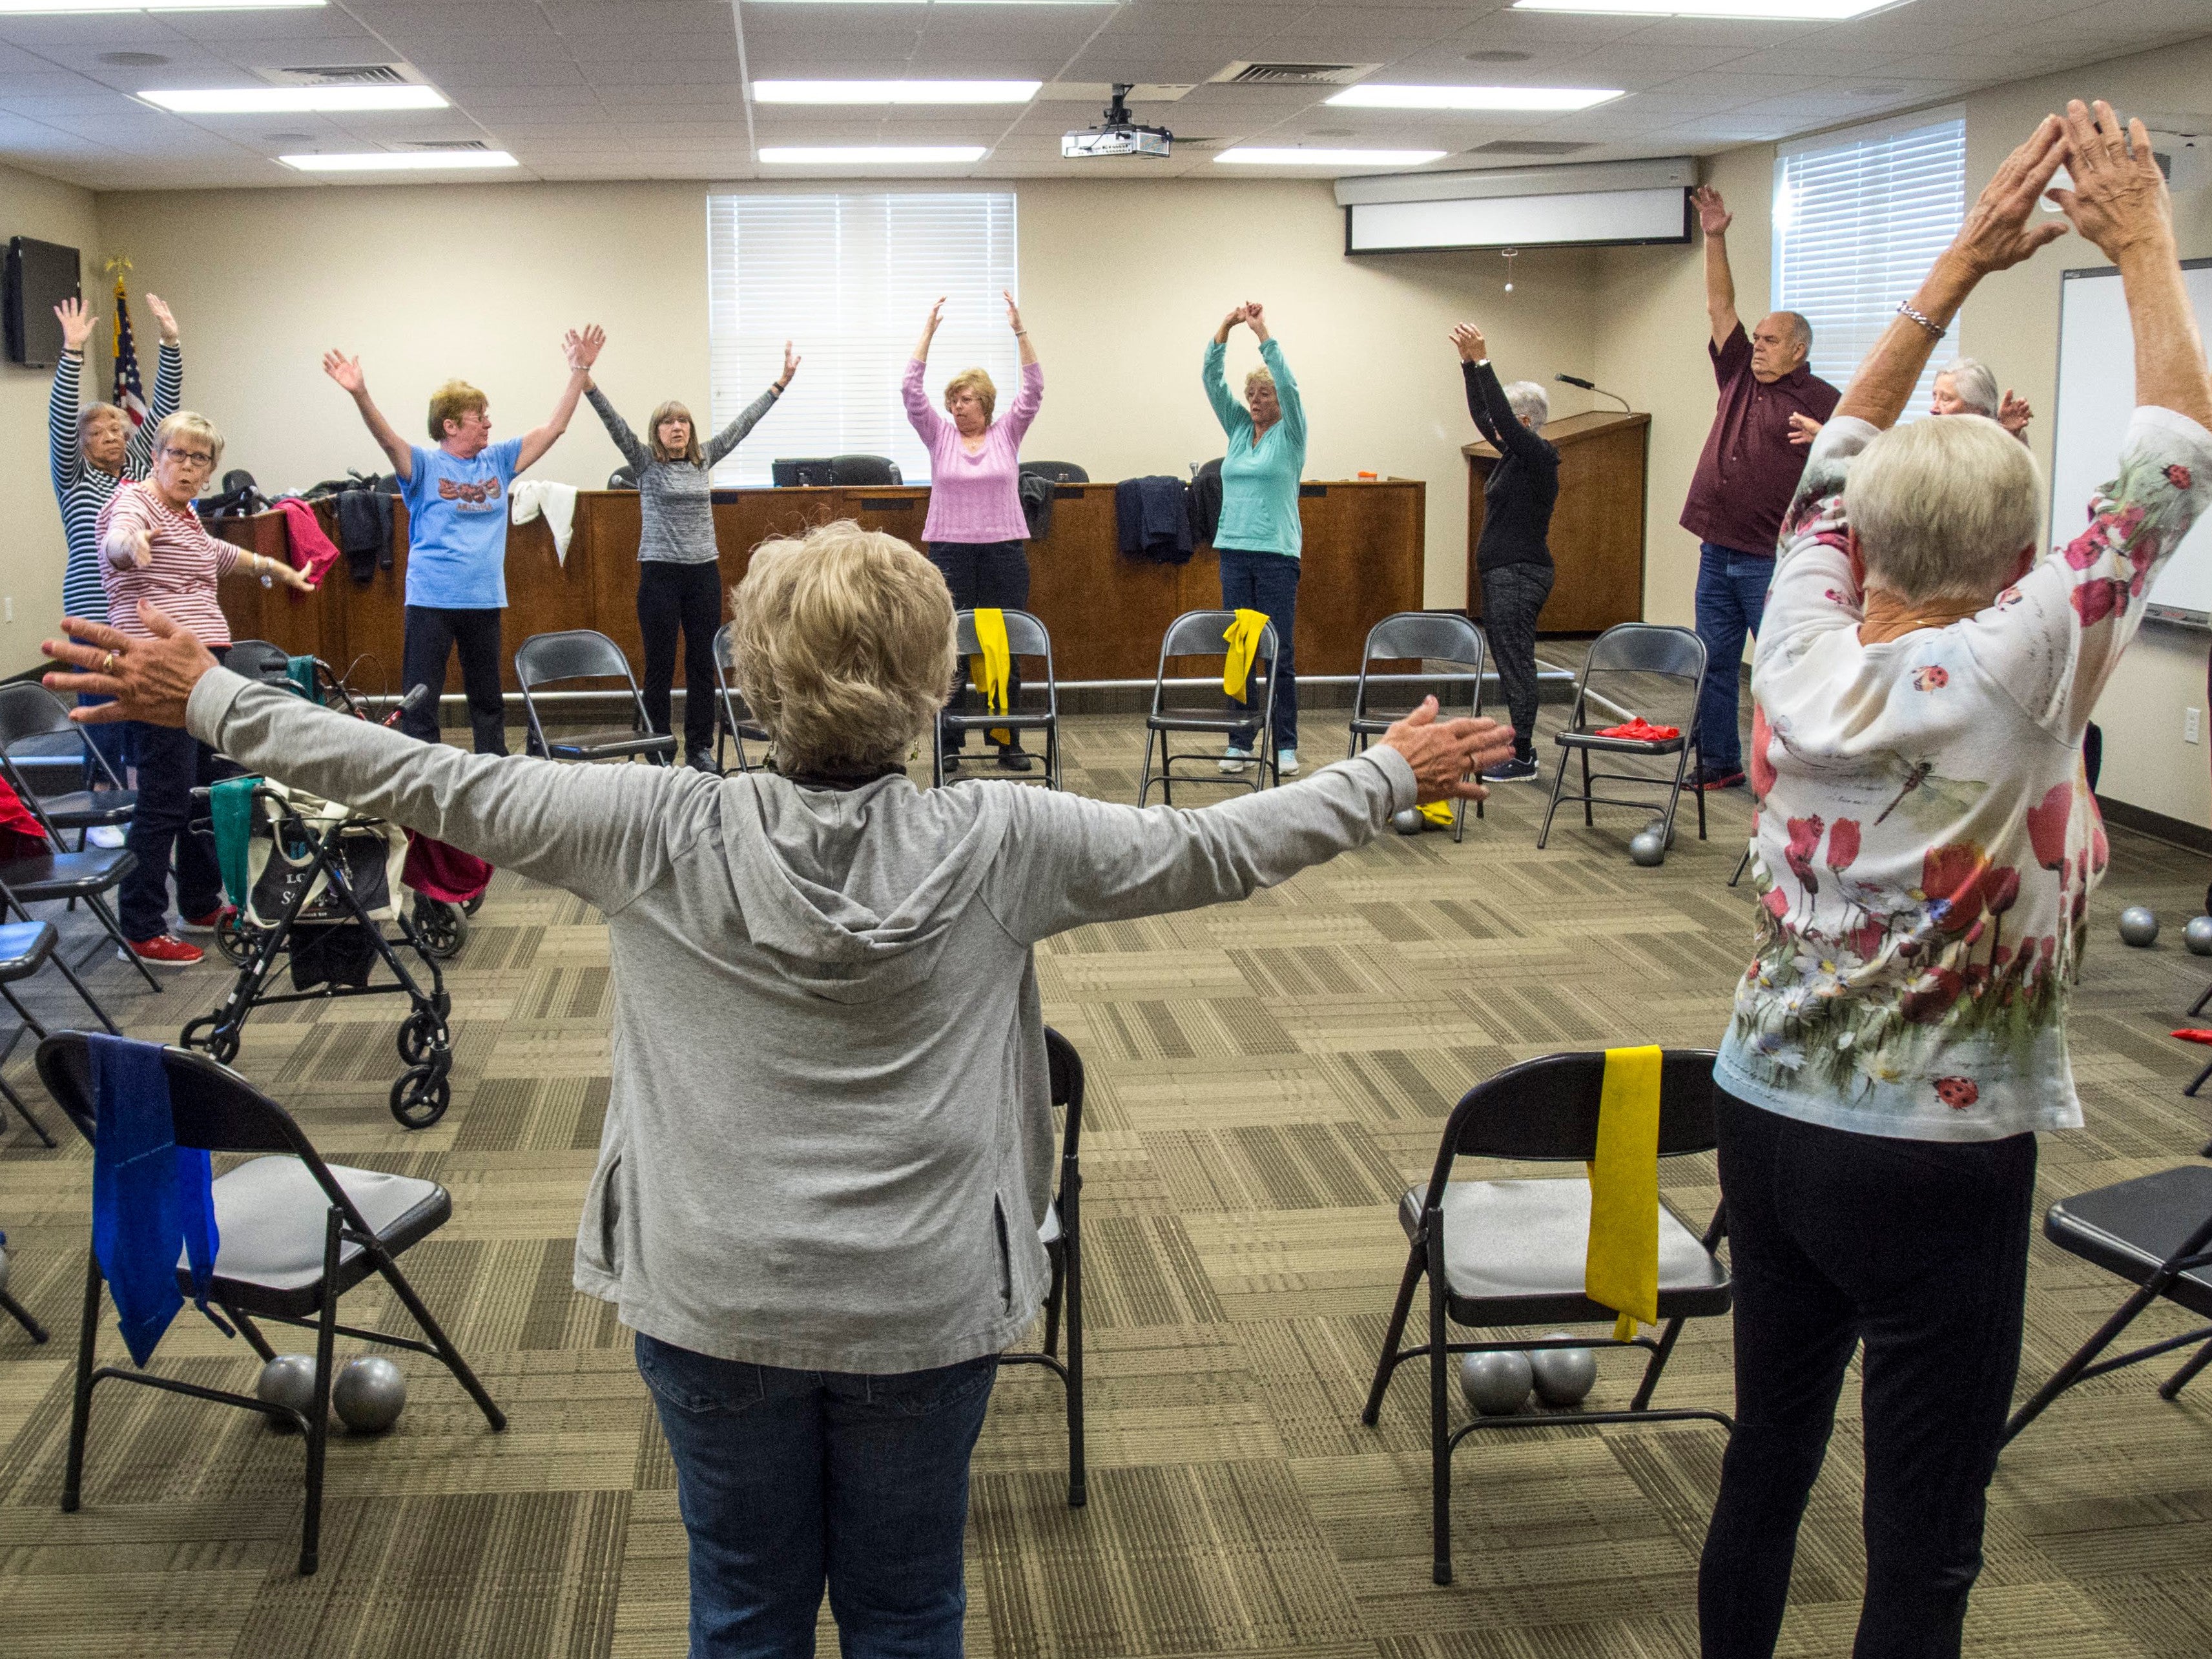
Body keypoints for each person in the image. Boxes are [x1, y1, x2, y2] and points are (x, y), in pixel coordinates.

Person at [45, 522, 1512, 1659]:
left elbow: (424, 778)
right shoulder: (1003, 837)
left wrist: (215, 695)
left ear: (749, 675)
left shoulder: (646, 826)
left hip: (712, 1297)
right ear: (935, 682)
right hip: (926, 1302)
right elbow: (1216, 850)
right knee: (905, 1614)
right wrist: (1384, 770)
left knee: (742, 1616)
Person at [1700, 104, 2211, 1659]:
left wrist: (1958, 264)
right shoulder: (2023, 663)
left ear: (1849, 547)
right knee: (1921, 1539)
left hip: (1765, 1107)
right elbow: (2174, 452)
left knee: (1766, 1462)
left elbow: (1831, 457)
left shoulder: (1793, 638)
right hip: (1931, 1157)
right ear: (2015, 569)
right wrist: (2138, 242)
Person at [94, 411, 315, 967]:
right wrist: (131, 547)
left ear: (211, 468)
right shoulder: (137, 504)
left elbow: (219, 555)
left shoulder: (186, 515)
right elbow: (118, 541)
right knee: (165, 796)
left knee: (201, 791)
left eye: (200, 459)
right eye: (178, 454)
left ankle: (198, 903)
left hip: (204, 668)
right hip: (159, 669)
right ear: (158, 455)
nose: (188, 466)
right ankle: (141, 927)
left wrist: (277, 568)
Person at [322, 327, 601, 756]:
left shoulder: (498, 460)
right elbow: (386, 439)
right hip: (432, 600)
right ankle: (423, 791)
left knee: (488, 705)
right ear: (450, 425)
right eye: (479, 416)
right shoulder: (424, 465)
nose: (488, 423)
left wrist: (579, 371)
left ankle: (492, 786)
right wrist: (360, 393)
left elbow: (554, 428)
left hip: (483, 600)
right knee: (421, 706)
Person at [1682, 183, 1841, 793]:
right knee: (1713, 663)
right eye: (1759, 339)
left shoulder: (1823, 399)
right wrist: (1715, 236)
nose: (1758, 346)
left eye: (1770, 340)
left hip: (1769, 559)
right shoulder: (1738, 374)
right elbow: (1720, 308)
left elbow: (1874, 454)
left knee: (1779, 670)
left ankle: (1795, 774)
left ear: (1798, 349)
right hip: (1715, 548)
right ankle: (1718, 762)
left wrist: (1827, 436)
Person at [584, 341, 800, 770]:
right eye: (668, 422)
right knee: (660, 666)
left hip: (703, 574)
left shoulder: (703, 461)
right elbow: (613, 422)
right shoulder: (644, 462)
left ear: (691, 429)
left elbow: (743, 425)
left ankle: (699, 745)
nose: (677, 427)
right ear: (656, 432)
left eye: (683, 420)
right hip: (660, 575)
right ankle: (659, 745)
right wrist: (587, 381)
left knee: (702, 663)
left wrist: (780, 384)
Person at [48, 291, 181, 796]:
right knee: (102, 704)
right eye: (98, 432)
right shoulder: (75, 479)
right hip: (93, 609)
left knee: (141, 703)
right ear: (83, 445)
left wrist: (170, 343)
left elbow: (164, 412)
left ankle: (138, 791)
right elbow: (60, 424)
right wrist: (72, 352)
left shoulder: (143, 477)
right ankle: (102, 795)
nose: (111, 436)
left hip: (140, 610)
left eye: (117, 429)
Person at [903, 291, 1042, 772]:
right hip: (950, 552)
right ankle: (951, 744)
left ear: (984, 403)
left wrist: (1020, 331)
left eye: (965, 400)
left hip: (1003, 551)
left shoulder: (1007, 432)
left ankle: (1007, 741)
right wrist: (928, 333)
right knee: (953, 650)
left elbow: (1035, 389)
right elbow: (909, 391)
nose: (957, 408)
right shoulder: (939, 435)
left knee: (1005, 646)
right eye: (952, 401)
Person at [1204, 302, 1309, 778]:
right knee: (1240, 649)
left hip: (1276, 554)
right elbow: (1211, 382)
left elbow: (1288, 380)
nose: (1255, 400)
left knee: (1278, 652)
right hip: (1234, 551)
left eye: (1263, 393)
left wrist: (1260, 332)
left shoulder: (1291, 434)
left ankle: (1285, 743)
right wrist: (1223, 330)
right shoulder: (1238, 430)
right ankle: (1239, 741)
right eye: (1251, 393)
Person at [1452, 321, 1559, 783]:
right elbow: (1483, 415)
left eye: (1507, 423)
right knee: (1512, 661)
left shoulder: (1537, 456)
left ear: (1524, 423)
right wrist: (1466, 367)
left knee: (1517, 663)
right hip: (1504, 572)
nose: (1494, 430)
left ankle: (1524, 754)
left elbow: (1495, 413)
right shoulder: (1515, 455)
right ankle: (1519, 748)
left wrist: (1484, 361)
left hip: (1519, 574)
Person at [1789, 356, 2034, 448]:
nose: (1934, 408)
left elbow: (2002, 468)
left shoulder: (1999, 442)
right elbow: (1880, 456)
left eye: (1946, 399)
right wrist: (1825, 435)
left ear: (1978, 407)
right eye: (1934, 396)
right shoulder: (1930, 440)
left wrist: (2008, 434)